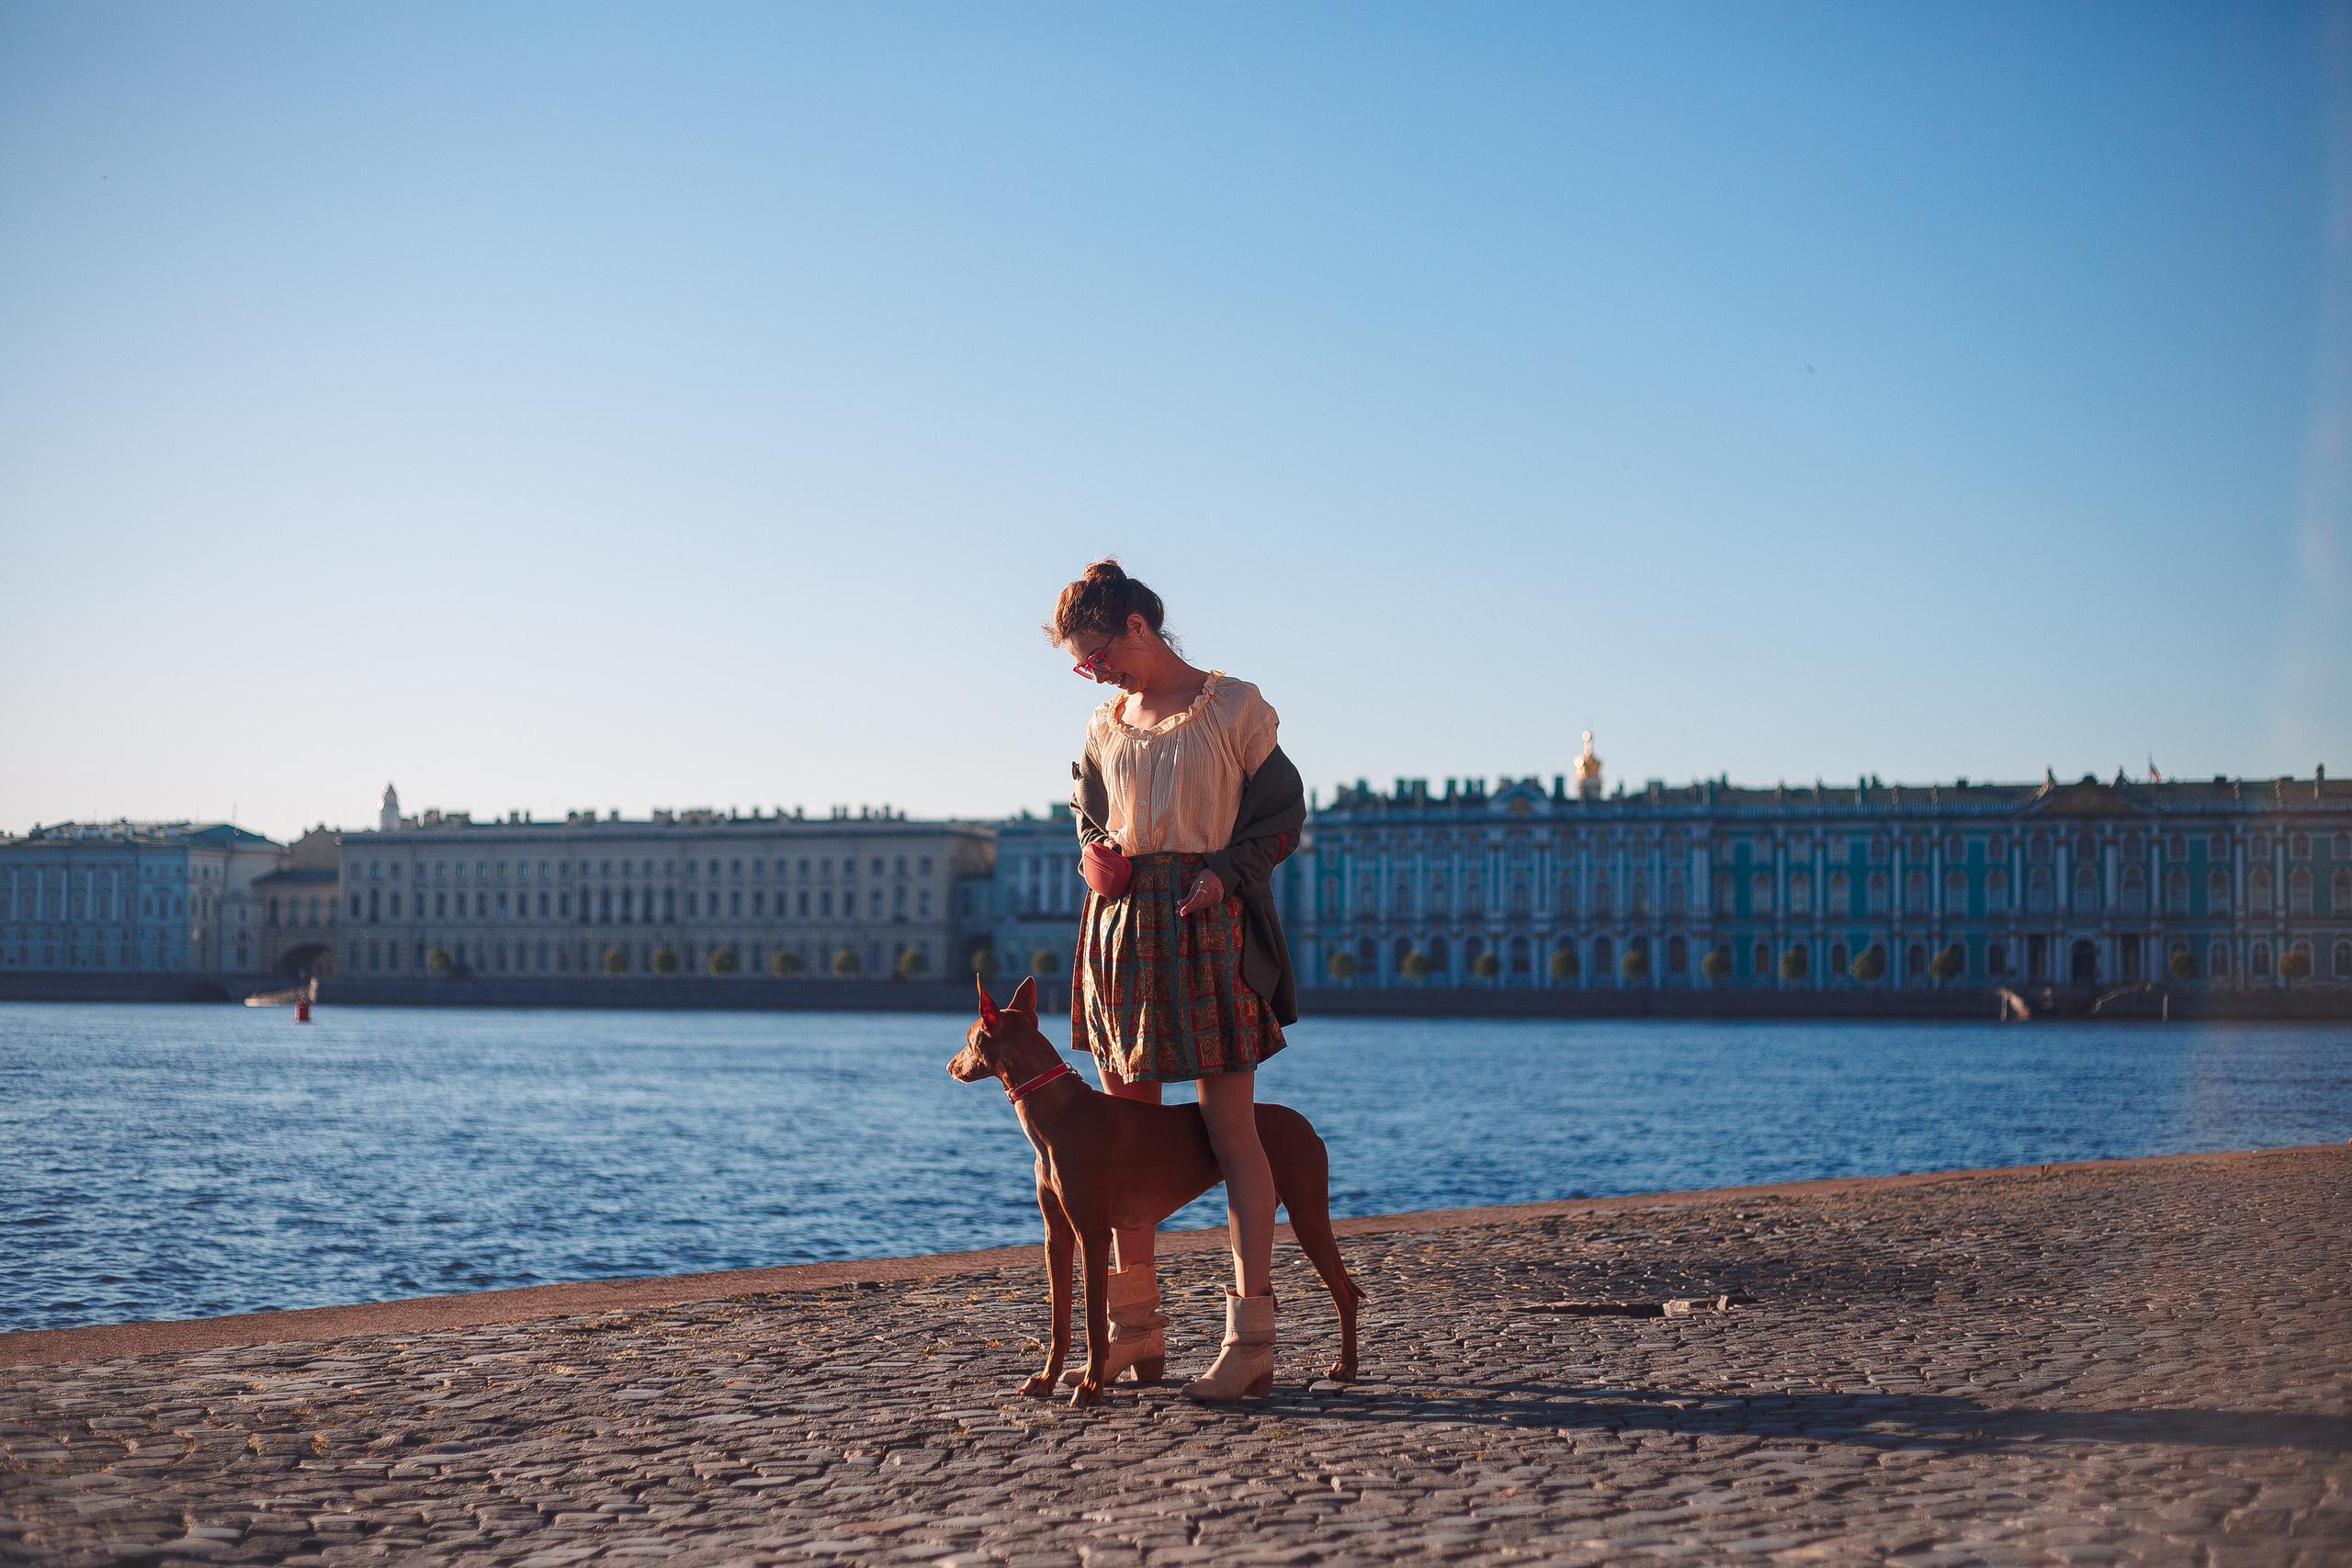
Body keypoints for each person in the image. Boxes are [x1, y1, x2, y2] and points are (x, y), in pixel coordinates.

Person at [1046, 558, 1306, 1402]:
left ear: (1136, 626)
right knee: (1124, 1137)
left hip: (1206, 928)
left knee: (1235, 1133)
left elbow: (1281, 816)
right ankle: (1135, 1332)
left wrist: (1226, 876)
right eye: (1081, 663)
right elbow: (1089, 817)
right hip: (1121, 938)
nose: (1092, 672)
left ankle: (1250, 1338)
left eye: (1095, 653)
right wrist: (1092, 856)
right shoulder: (1102, 726)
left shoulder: (1233, 708)